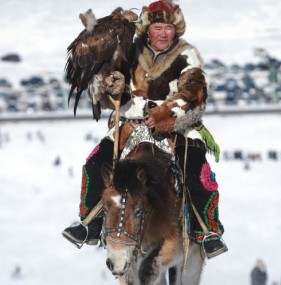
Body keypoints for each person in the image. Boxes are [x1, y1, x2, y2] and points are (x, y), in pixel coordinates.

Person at [62, 0, 228, 258]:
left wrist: (163, 115)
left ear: (177, 30)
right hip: (130, 125)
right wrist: (114, 89)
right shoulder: (130, 50)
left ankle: (206, 230)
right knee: (95, 164)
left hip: (176, 129)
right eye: (158, 27)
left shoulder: (187, 55)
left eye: (169, 28)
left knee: (197, 171)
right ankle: (91, 224)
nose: (163, 33)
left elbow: (194, 95)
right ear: (147, 28)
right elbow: (111, 91)